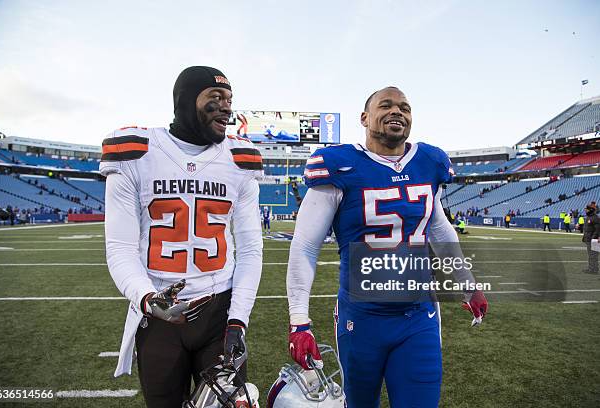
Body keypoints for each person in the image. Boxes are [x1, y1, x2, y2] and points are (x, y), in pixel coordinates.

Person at [286, 86, 487, 408]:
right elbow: (306, 246)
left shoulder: (428, 161)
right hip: (360, 319)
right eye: (387, 105)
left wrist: (468, 285)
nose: (397, 112)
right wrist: (299, 321)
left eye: (405, 108)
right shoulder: (337, 163)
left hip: (418, 316)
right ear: (365, 118)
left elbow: (439, 229)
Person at [100, 66, 263, 408]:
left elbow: (250, 249)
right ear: (187, 101)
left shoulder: (239, 159)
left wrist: (238, 320)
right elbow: (119, 247)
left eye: (230, 99)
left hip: (218, 308)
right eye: (215, 97)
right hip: (158, 315)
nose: (226, 107)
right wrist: (147, 298)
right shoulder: (136, 152)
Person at [582, 204, 600, 274]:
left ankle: (594, 269)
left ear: (591, 210)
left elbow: (598, 229)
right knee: (591, 255)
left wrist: (595, 237)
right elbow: (588, 228)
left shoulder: (595, 218)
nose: (586, 211)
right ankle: (591, 268)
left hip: (594, 239)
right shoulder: (589, 217)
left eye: (587, 209)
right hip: (589, 239)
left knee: (594, 255)